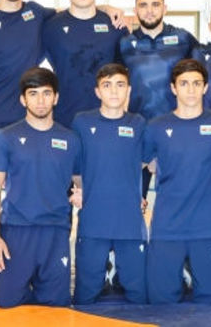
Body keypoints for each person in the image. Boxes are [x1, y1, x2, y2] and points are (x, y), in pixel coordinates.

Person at [0, 0, 122, 284]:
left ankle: (39, 253)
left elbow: (78, 6)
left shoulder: (36, 14)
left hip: (31, 116)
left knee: (33, 189)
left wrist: (107, 7)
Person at [0, 67, 82, 308]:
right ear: (23, 99)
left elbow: (80, 182)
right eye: (33, 94)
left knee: (56, 303)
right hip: (17, 230)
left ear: (56, 98)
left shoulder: (70, 139)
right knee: (6, 301)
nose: (40, 101)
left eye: (46, 93)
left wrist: (83, 192)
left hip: (55, 231)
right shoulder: (6, 137)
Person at [143, 59, 211, 304]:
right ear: (173, 88)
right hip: (167, 226)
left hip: (208, 226)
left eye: (196, 83)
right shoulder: (156, 127)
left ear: (205, 87)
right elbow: (144, 165)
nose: (191, 89)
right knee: (161, 304)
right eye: (184, 83)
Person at [71, 63, 147, 304]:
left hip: (129, 221)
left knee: (139, 294)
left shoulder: (139, 123)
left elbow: (148, 162)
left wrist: (137, 193)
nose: (114, 91)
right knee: (85, 296)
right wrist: (80, 189)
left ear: (129, 90)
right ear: (97, 91)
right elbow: (75, 166)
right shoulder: (82, 122)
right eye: (107, 85)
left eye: (120, 85)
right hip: (94, 219)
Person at [119, 0, 199, 199]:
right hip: (138, 130)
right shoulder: (125, 43)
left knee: (177, 199)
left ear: (165, 8)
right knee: (135, 200)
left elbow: (201, 76)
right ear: (135, 10)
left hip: (177, 131)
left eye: (155, 5)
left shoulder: (183, 39)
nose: (149, 11)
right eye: (143, 5)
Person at [43, 0, 129, 127]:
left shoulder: (115, 25)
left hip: (107, 115)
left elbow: (125, 74)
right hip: (65, 115)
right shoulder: (51, 27)